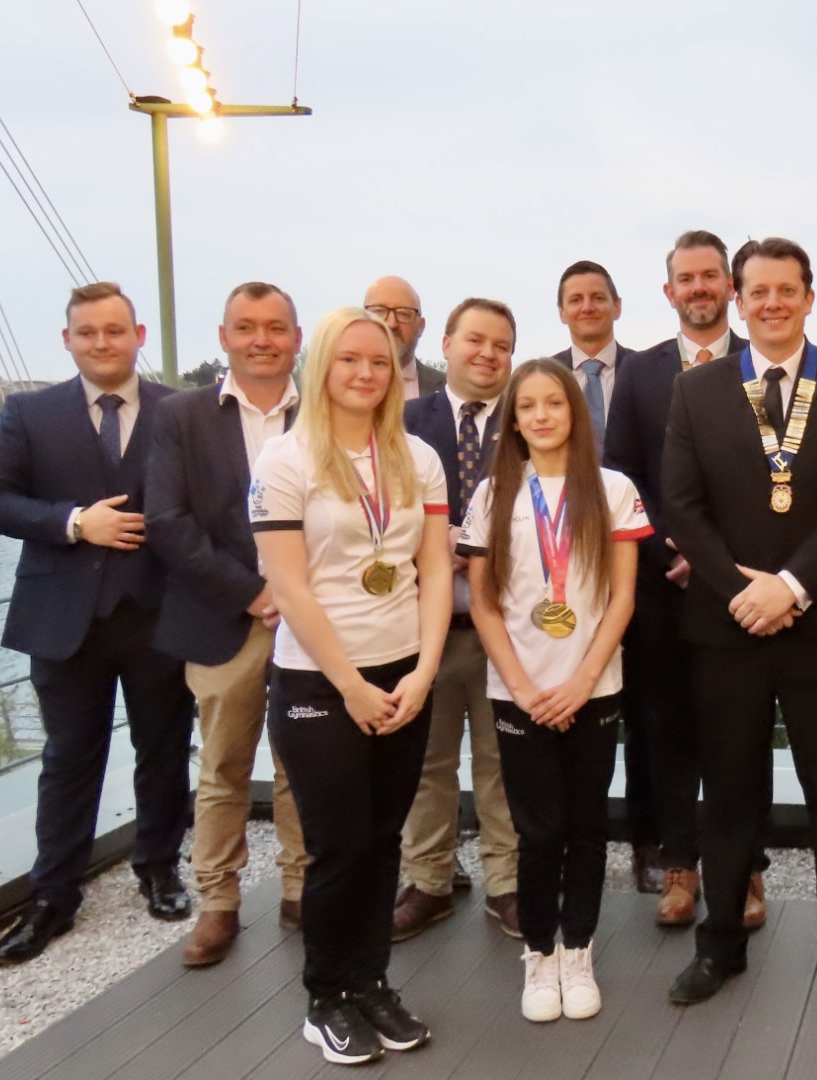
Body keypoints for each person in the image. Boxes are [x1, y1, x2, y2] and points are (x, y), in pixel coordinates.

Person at [660, 237, 817, 1018]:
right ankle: (719, 944)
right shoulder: (696, 392)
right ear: (736, 296)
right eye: (755, 291)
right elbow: (682, 509)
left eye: (785, 290)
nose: (769, 304)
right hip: (728, 630)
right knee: (728, 796)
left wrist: (792, 587)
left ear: (809, 296)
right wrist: (743, 592)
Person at [250, 306, 451, 1066]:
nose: (366, 374)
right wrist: (353, 686)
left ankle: (370, 983)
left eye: (381, 362)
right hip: (318, 680)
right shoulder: (285, 461)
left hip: (405, 670)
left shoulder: (417, 458)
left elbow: (433, 568)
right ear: (322, 365)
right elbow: (289, 587)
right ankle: (324, 997)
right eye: (350, 360)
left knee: (382, 839)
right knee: (336, 847)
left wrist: (425, 668)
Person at [0, 281, 195, 966]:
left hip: (158, 612)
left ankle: (158, 868)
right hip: (65, 615)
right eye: (88, 332)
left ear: (138, 337)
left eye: (115, 330)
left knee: (163, 747)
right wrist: (73, 522)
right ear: (67, 339)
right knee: (69, 758)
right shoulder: (29, 414)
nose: (103, 342)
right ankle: (53, 896)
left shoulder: (180, 412)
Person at [460, 357, 651, 1022]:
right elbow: (483, 605)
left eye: (555, 403)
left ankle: (579, 947)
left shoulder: (614, 490)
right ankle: (539, 952)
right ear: (513, 419)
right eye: (528, 406)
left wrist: (579, 681)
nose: (541, 416)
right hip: (519, 694)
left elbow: (623, 598)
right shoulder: (491, 496)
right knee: (538, 830)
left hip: (592, 688)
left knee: (587, 825)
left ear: (576, 412)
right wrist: (521, 684)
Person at [603, 229, 760, 924]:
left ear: (730, 286)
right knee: (665, 731)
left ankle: (746, 869)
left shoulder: (766, 364)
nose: (699, 288)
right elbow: (622, 474)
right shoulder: (639, 374)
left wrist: (719, 553)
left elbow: (775, 476)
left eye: (710, 276)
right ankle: (678, 869)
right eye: (685, 279)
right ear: (668, 293)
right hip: (663, 584)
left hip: (742, 582)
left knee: (741, 730)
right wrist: (676, 543)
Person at [149, 281, 308, 967]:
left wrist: (293, 594)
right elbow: (167, 523)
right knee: (222, 768)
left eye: (275, 327)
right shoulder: (182, 417)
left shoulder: (325, 413)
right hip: (223, 619)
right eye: (247, 328)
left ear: (297, 338)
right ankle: (218, 902)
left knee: (306, 760)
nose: (262, 340)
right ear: (224, 337)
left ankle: (303, 887)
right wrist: (252, 593)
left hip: (312, 622)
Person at [393, 299, 523, 942]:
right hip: (425, 629)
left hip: (509, 628)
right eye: (475, 340)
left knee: (505, 764)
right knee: (428, 761)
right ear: (445, 344)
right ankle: (429, 881)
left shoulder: (531, 422)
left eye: (502, 345)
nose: (488, 354)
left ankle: (508, 884)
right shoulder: (403, 420)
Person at [550, 261, 633, 454]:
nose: (587, 308)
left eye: (597, 297)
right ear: (562, 312)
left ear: (617, 307)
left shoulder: (645, 372)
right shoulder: (545, 377)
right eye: (575, 300)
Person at [364, 276, 447, 401]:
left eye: (403, 314)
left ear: (421, 326)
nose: (391, 324)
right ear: (362, 320)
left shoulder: (449, 392)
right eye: (379, 312)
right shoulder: (336, 386)